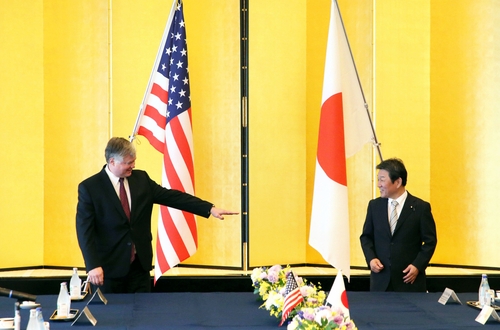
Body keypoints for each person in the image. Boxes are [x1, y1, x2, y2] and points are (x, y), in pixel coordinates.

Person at [76, 137, 238, 293]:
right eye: (129, 163)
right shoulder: (90, 188)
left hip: (140, 268)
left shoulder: (141, 179)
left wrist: (209, 208)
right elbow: (84, 231)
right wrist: (92, 265)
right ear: (112, 161)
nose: (133, 166)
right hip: (107, 270)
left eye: (134, 161)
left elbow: (173, 197)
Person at [359, 158, 437, 292]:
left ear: (398, 182)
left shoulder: (420, 208)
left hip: (409, 282)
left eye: (382, 180)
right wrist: (371, 259)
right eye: (378, 179)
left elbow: (430, 241)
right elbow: (366, 237)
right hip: (380, 283)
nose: (378, 184)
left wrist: (417, 266)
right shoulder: (374, 206)